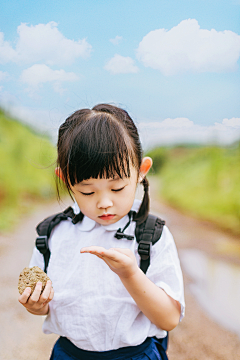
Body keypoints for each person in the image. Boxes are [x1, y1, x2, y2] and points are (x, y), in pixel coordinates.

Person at [18, 104, 185, 360]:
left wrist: (130, 274)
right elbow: (45, 307)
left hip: (136, 355)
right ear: (66, 180)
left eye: (117, 188)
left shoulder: (151, 235)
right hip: (70, 354)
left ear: (141, 171)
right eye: (87, 191)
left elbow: (169, 319)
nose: (104, 202)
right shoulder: (52, 234)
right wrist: (36, 305)